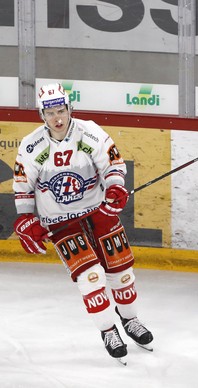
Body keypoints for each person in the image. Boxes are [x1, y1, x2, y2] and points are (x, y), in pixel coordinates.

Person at [12, 83, 154, 364]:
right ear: (42, 115)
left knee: (121, 273)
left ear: (70, 108)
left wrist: (114, 188)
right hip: (61, 223)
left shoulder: (90, 132)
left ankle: (130, 320)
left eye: (61, 110)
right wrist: (27, 219)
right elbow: (23, 187)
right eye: (50, 112)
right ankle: (108, 330)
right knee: (91, 278)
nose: (57, 118)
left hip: (99, 213)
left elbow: (113, 165)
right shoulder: (31, 146)